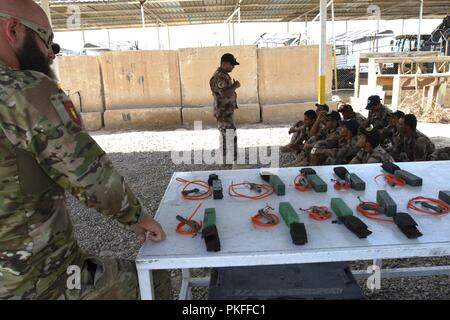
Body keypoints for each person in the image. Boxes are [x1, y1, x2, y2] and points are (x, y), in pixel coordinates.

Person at [0, 0, 171, 300]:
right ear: (13, 30)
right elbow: (93, 178)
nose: (51, 52)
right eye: (46, 38)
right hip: (35, 283)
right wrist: (139, 218)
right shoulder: (24, 90)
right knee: (150, 279)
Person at [209, 53, 240, 166]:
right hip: (223, 113)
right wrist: (235, 86)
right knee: (231, 135)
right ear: (224, 64)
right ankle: (234, 162)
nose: (233, 66)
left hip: (225, 112)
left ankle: (225, 161)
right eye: (231, 64)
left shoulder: (223, 75)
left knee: (225, 136)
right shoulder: (220, 76)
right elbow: (224, 93)